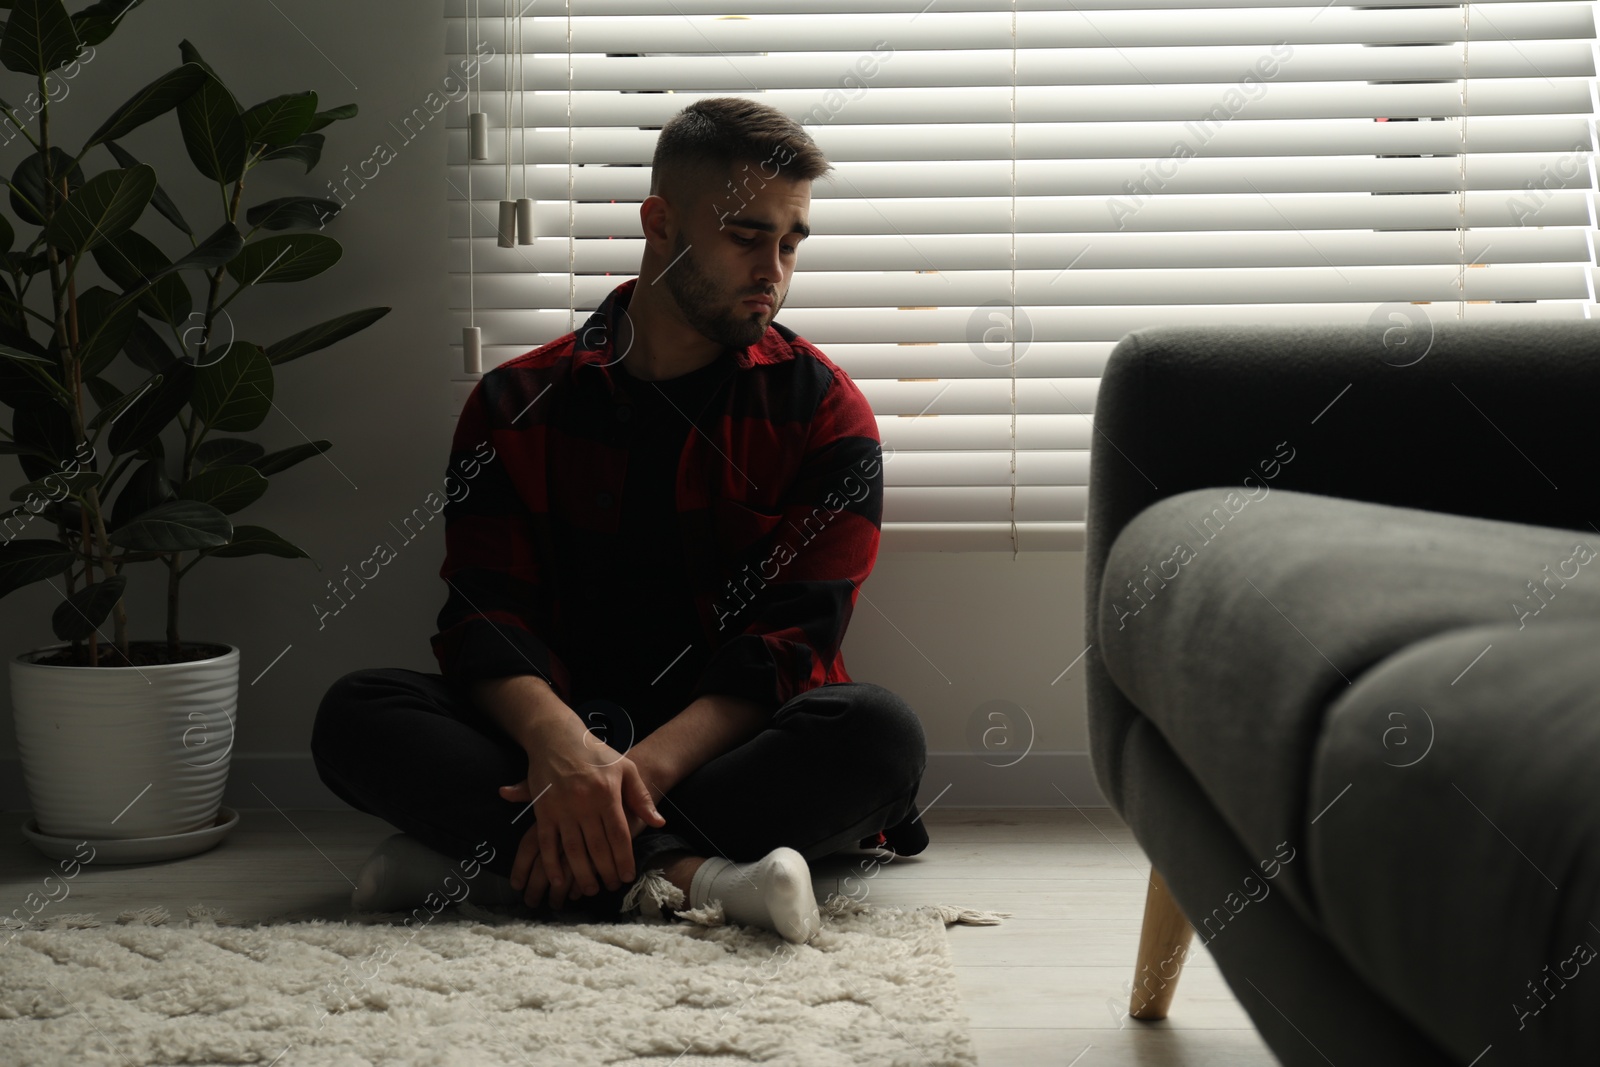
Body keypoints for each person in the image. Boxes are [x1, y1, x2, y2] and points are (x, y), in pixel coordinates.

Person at [311, 97, 928, 944]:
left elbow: (791, 642)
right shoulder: (516, 402)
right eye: (748, 236)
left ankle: (496, 867)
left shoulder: (825, 409)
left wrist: (612, 781)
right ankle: (697, 877)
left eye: (790, 243)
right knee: (356, 713)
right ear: (660, 223)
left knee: (876, 735)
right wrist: (561, 751)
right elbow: (487, 616)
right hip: (552, 732)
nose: (773, 269)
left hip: (720, 750)